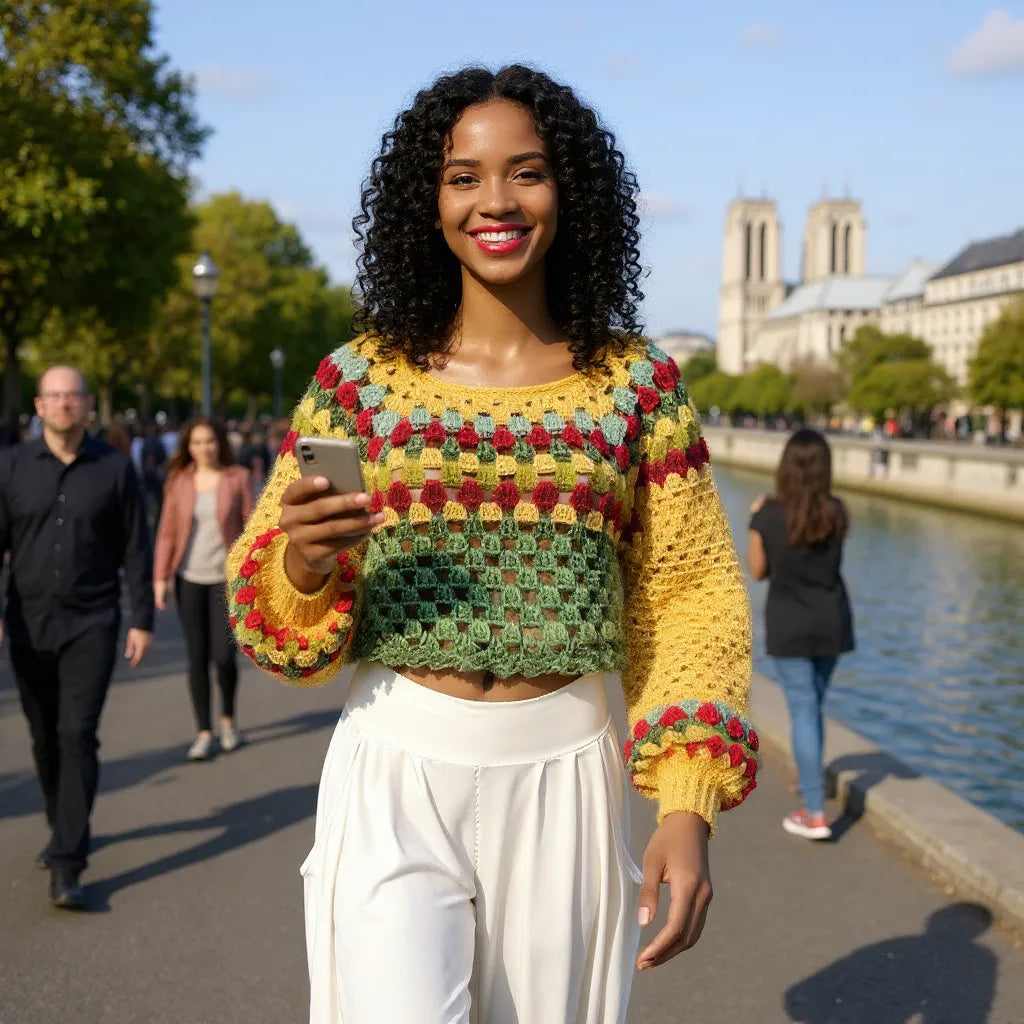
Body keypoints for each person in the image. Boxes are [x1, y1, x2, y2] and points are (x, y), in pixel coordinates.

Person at [227, 65, 756, 1024]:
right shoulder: (360, 381)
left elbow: (689, 599)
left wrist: (687, 802)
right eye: (463, 177)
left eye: (528, 172)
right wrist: (304, 562)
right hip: (393, 769)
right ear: (426, 203)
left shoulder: (637, 387)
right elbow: (269, 613)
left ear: (572, 192)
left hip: (567, 780)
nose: (496, 202)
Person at [0, 366, 154, 909]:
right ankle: (59, 825)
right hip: (27, 621)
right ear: (39, 406)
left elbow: (137, 545)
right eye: (55, 396)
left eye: (73, 396)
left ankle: (68, 861)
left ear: (88, 405)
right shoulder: (11, 467)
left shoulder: (114, 468)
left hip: (93, 620)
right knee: (44, 739)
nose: (64, 404)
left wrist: (142, 619)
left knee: (76, 734)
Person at [748, 428, 855, 841]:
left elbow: (758, 571)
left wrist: (756, 519)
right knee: (813, 707)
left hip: (791, 624)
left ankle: (814, 812)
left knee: (805, 710)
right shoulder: (838, 512)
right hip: (832, 623)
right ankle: (810, 781)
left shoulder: (769, 513)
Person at [153, 417, 252, 760]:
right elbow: (166, 531)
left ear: (219, 442)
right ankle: (203, 731)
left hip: (226, 579)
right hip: (188, 578)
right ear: (188, 446)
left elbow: (251, 528)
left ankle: (227, 719)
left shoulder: (237, 478)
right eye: (196, 442)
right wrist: (161, 578)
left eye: (209, 441)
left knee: (224, 658)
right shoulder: (178, 481)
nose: (203, 448)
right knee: (196, 657)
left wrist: (254, 576)